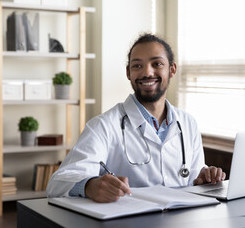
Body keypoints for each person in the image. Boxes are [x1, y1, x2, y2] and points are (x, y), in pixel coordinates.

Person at [46, 33, 226, 203]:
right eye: (137, 65)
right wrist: (90, 186)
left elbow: (192, 176)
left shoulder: (188, 123)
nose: (147, 73)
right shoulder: (103, 126)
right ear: (128, 73)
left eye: (157, 64)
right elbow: (57, 183)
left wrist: (203, 178)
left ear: (172, 69)